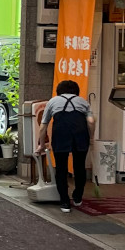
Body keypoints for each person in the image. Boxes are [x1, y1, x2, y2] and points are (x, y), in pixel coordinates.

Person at [37, 79, 95, 213]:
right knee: (79, 166)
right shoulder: (83, 102)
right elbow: (91, 121)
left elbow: (43, 126)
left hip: (61, 133)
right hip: (80, 134)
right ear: (76, 91)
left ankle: (64, 202)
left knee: (61, 168)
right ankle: (78, 197)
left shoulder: (52, 101)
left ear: (59, 91)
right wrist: (91, 138)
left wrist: (41, 145)